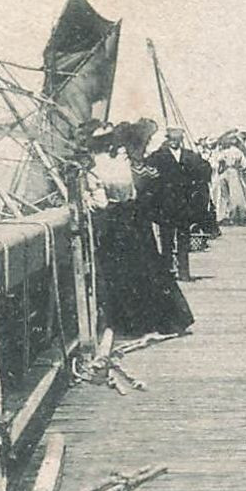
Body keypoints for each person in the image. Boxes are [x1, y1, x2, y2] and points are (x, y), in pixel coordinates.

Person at [88, 125, 194, 337]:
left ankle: (129, 323)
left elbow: (100, 202)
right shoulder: (123, 163)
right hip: (135, 220)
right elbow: (137, 189)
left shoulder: (96, 168)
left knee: (121, 273)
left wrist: (89, 200)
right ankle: (162, 319)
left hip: (114, 222)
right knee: (147, 268)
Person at [144, 127, 207, 282]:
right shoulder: (159, 156)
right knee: (166, 238)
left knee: (183, 237)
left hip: (184, 203)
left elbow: (203, 170)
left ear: (181, 140)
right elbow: (147, 171)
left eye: (177, 139)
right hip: (165, 203)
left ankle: (184, 271)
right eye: (171, 138)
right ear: (167, 139)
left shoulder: (190, 156)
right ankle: (167, 271)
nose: (174, 141)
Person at [210, 135, 246, 226]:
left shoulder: (236, 151)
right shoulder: (218, 151)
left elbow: (245, 164)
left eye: (226, 140)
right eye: (223, 141)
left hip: (233, 172)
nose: (224, 142)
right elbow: (213, 163)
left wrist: (245, 172)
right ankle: (222, 216)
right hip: (221, 173)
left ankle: (236, 215)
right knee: (222, 195)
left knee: (235, 194)